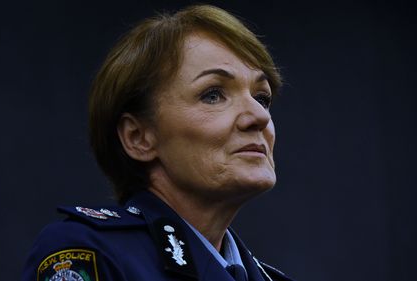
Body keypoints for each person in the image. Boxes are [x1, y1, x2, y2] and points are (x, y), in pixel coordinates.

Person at [22, 4, 295, 281]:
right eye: (213, 95)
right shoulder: (90, 252)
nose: (259, 116)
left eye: (262, 98)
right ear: (138, 138)